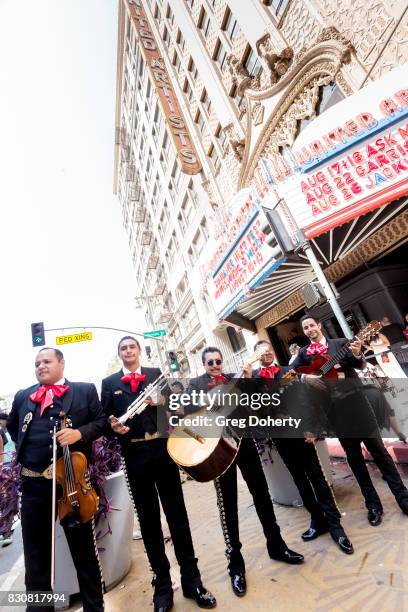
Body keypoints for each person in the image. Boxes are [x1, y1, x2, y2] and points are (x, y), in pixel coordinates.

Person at [101, 336, 216, 612]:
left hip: (163, 450)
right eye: (123, 348)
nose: (128, 351)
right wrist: (112, 426)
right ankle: (162, 587)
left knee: (178, 516)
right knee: (150, 523)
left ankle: (193, 581)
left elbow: (177, 408)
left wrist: (162, 400)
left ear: (139, 351)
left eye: (131, 346)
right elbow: (104, 421)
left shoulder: (157, 375)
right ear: (119, 354)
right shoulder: (109, 384)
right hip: (135, 454)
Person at [187, 346, 304, 599]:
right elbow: (187, 413)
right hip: (218, 450)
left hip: (245, 441)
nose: (216, 365)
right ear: (204, 365)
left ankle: (276, 545)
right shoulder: (195, 384)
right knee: (227, 504)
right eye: (210, 362)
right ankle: (235, 565)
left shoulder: (234, 378)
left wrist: (250, 377)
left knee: (261, 493)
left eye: (218, 361)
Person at [7, 348, 105, 612]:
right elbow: (13, 428)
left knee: (84, 554)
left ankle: (94, 608)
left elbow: (101, 423)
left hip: (72, 486)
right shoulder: (22, 396)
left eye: (47, 361)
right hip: (33, 487)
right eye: (37, 363)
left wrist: (78, 434)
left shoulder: (84, 391)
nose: (41, 366)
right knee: (36, 561)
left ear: (62, 363)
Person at [291, 315, 408, 527]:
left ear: (319, 325)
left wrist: (356, 354)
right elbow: (288, 373)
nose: (309, 329)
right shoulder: (303, 355)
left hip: (358, 405)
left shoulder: (341, 344)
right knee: (355, 460)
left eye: (312, 325)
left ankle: (403, 498)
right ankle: (373, 505)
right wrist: (304, 377)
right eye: (305, 327)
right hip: (335, 414)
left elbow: (361, 365)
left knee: (380, 452)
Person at [252, 340, 354, 554]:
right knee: (299, 479)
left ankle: (336, 526)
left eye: (270, 350)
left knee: (316, 477)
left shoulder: (289, 371)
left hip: (300, 432)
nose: (268, 354)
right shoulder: (252, 378)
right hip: (280, 435)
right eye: (263, 352)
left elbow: (304, 401)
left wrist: (310, 428)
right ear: (256, 356)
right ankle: (318, 520)